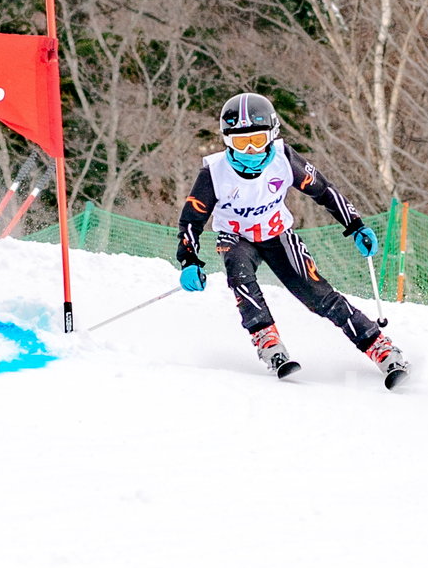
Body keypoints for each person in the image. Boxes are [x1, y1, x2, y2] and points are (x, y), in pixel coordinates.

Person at [175, 93, 409, 387]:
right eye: (240, 142)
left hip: (277, 234)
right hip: (236, 237)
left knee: (318, 295)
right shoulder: (214, 172)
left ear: (272, 136)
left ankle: (380, 347)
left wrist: (355, 224)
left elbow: (323, 190)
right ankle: (268, 341)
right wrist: (189, 260)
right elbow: (191, 220)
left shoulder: (284, 159)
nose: (249, 151)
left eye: (257, 141)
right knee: (238, 270)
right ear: (226, 141)